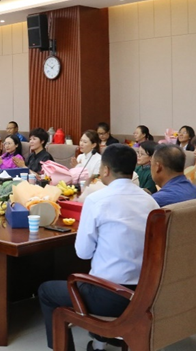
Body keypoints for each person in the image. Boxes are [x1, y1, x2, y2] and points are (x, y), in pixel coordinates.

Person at [38, 145, 159, 350]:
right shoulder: (151, 202)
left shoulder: (97, 200)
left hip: (111, 296)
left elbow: (83, 253)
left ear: (105, 170)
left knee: (46, 291)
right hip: (147, 294)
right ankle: (99, 343)